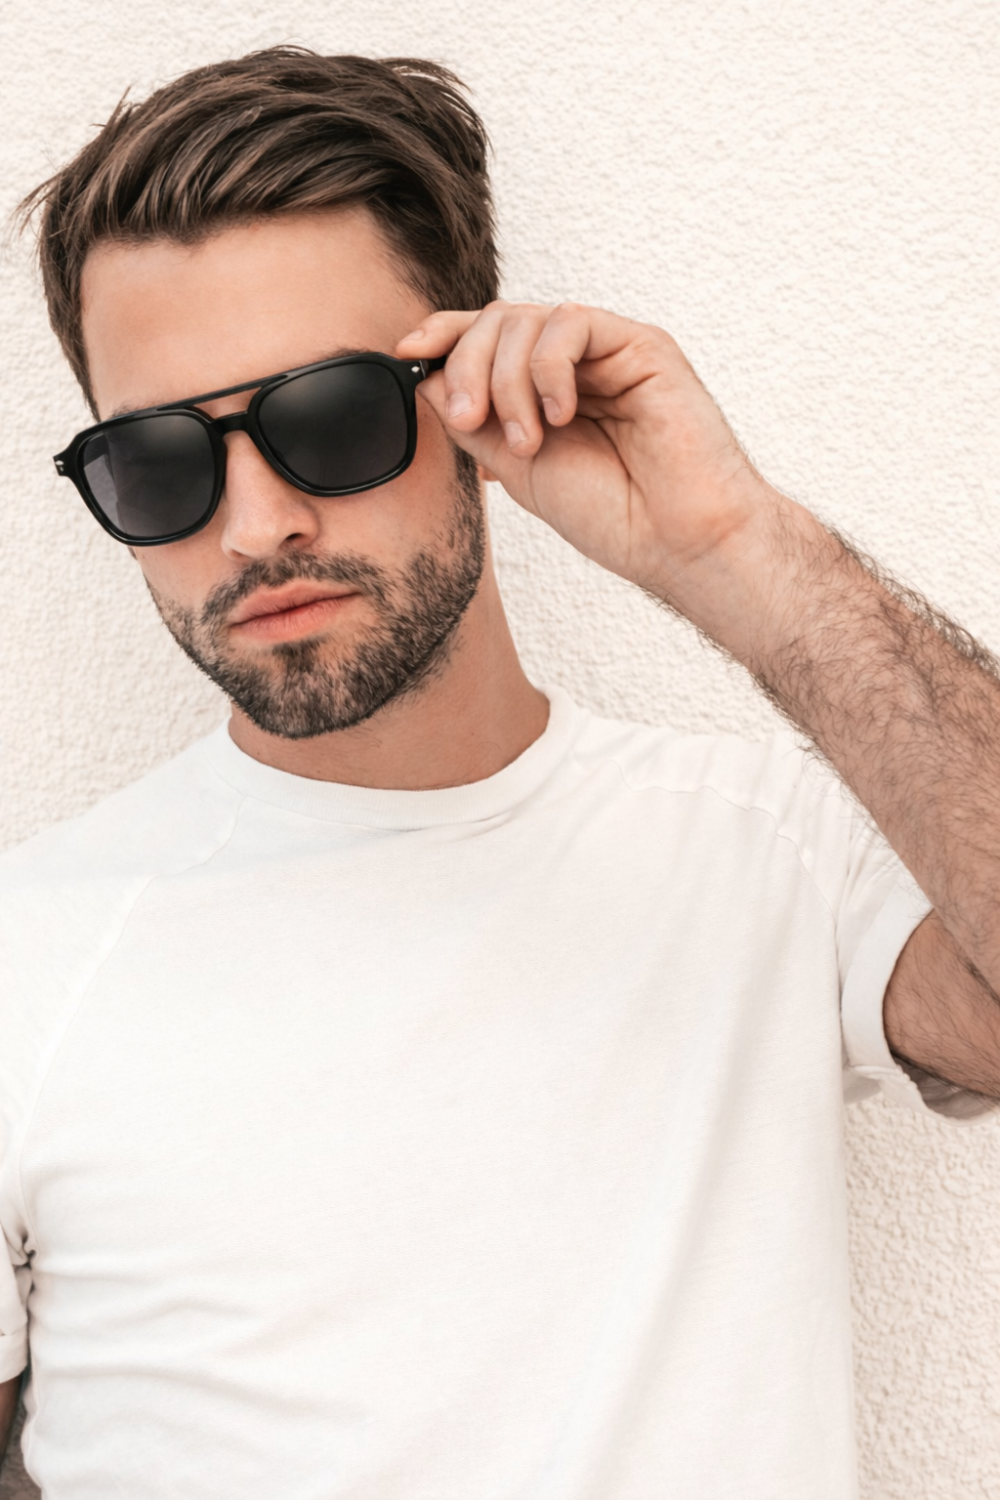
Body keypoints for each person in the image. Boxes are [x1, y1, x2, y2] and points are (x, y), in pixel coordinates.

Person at [1, 45, 998, 1500]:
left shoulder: (760, 852)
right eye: (161, 461)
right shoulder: (23, 955)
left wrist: (734, 554)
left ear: (465, 391)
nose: (254, 526)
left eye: (329, 415)